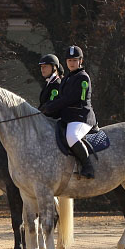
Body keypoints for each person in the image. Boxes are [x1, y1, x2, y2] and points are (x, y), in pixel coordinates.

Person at [40, 45, 97, 179]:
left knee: (72, 137)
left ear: (80, 61)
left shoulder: (83, 77)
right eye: (69, 61)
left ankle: (88, 166)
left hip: (81, 117)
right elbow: (60, 98)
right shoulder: (66, 78)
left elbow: (71, 98)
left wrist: (52, 106)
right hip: (69, 118)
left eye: (74, 60)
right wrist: (47, 107)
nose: (71, 63)